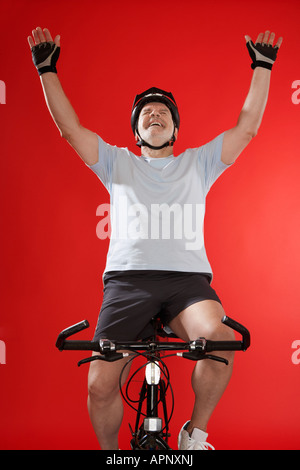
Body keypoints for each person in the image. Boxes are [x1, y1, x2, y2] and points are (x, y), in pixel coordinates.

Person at [28, 27, 282, 450]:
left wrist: (263, 66)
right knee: (99, 384)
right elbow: (70, 130)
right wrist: (45, 69)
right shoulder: (115, 162)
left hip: (187, 285)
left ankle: (193, 436)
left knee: (220, 340)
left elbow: (247, 128)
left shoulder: (198, 164)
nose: (154, 114)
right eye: (146, 111)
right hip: (127, 283)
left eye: (163, 110)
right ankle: (113, 457)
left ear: (175, 129)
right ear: (136, 130)